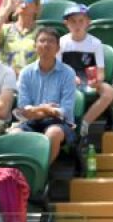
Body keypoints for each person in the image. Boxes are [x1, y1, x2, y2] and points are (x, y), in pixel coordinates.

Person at [13, 26, 77, 164]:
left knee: (53, 133)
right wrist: (46, 109)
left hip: (59, 123)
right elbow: (23, 108)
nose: (46, 45)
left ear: (58, 47)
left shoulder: (68, 73)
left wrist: (36, 110)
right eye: (42, 41)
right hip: (32, 121)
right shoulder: (26, 73)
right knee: (14, 135)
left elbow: (65, 111)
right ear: (35, 46)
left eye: (51, 41)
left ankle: (41, 173)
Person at [58, 3, 113, 134]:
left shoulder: (95, 43)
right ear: (66, 24)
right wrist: (70, 77)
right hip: (68, 80)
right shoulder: (61, 43)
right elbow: (57, 68)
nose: (77, 25)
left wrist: (96, 81)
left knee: (109, 91)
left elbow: (101, 71)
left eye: (81, 21)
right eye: (73, 21)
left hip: (88, 79)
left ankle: (85, 122)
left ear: (88, 22)